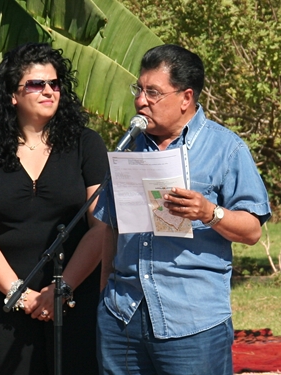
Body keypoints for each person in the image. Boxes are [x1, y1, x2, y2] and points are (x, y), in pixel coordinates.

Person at [95, 44, 272, 375]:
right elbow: (111, 227)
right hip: (122, 316)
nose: (140, 100)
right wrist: (106, 293)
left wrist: (209, 212)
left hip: (191, 323)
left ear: (186, 98)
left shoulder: (226, 149)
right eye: (139, 89)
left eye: (153, 92)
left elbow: (252, 231)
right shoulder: (130, 145)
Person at [0, 42, 109, 375]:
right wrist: (19, 293)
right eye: (36, 84)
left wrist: (62, 288)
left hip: (76, 301)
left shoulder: (87, 145)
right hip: (7, 306)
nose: (48, 91)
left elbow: (101, 225)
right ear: (13, 95)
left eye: (54, 84)